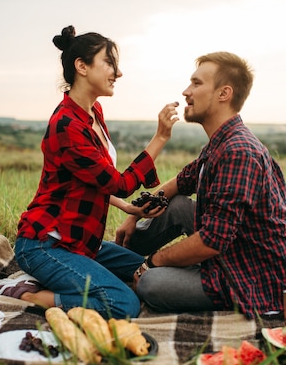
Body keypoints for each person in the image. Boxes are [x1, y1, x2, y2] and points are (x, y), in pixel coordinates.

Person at [117, 51, 286, 319]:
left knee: (151, 284)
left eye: (196, 83)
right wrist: (136, 213)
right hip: (238, 246)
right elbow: (183, 181)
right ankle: (119, 260)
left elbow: (212, 241)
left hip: (259, 277)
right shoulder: (222, 141)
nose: (186, 91)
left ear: (223, 93)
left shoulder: (239, 151)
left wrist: (153, 263)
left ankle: (136, 269)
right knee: (176, 204)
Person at [12, 25, 179, 319]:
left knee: (145, 271)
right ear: (82, 67)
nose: (119, 72)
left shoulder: (93, 113)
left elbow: (92, 182)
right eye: (110, 63)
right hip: (45, 243)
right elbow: (120, 183)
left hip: (81, 241)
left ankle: (78, 281)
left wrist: (128, 208)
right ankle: (40, 297)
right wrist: (160, 137)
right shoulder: (67, 125)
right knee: (124, 304)